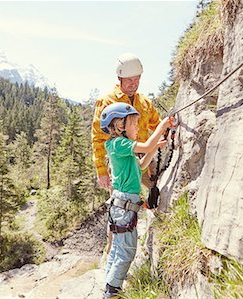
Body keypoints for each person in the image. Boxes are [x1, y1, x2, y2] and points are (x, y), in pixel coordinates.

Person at [99, 102, 172, 298]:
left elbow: (140, 166)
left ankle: (109, 285)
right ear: (120, 126)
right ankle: (112, 293)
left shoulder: (119, 147)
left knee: (117, 248)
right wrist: (161, 126)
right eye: (134, 124)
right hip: (124, 206)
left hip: (122, 205)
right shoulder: (118, 144)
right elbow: (146, 145)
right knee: (127, 252)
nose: (137, 128)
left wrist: (154, 147)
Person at [91, 53, 161, 191]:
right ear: (120, 78)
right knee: (123, 202)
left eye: (137, 79)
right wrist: (102, 171)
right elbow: (98, 139)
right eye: (129, 80)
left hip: (145, 157)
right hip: (120, 162)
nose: (133, 84)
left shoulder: (144, 102)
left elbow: (156, 124)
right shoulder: (107, 101)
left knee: (156, 194)